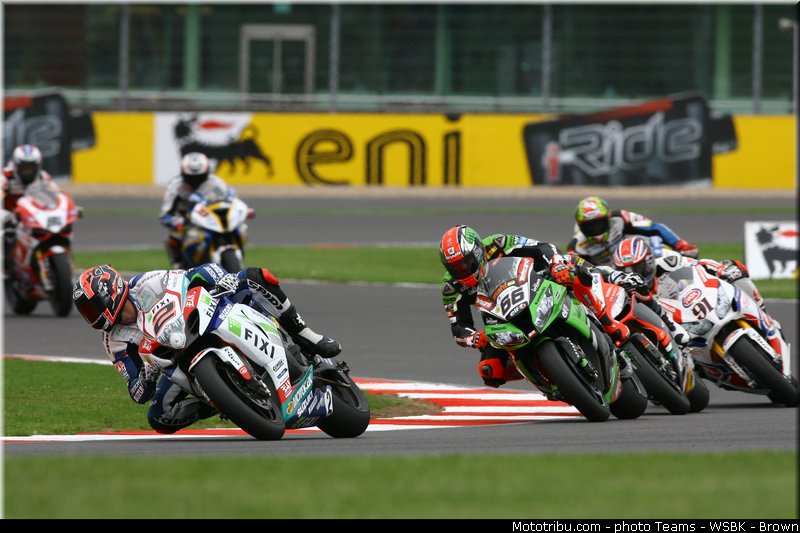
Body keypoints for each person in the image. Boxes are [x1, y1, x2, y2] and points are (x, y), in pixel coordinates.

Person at [72, 263, 341, 433]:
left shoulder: (147, 282)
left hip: (203, 318)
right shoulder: (114, 341)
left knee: (254, 276)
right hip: (176, 361)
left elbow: (194, 274)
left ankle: (305, 334)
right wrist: (147, 375)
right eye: (85, 312)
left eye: (91, 307)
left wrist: (220, 279)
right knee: (159, 417)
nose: (91, 316)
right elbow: (136, 391)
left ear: (111, 291)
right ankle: (224, 401)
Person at [438, 224, 636, 389]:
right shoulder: (452, 286)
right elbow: (458, 327)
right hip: (503, 317)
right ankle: (548, 377)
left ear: (478, 251)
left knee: (573, 272)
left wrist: (556, 265)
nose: (462, 270)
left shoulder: (497, 245)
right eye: (455, 267)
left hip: (535, 283)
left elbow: (543, 247)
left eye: (466, 262)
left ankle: (608, 322)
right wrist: (474, 338)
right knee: (490, 370)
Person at [613, 235, 768, 312]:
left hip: (699, 304)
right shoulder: (626, 296)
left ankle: (761, 310)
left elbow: (696, 264)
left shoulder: (667, 261)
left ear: (648, 261)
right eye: (626, 272)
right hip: (681, 332)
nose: (634, 276)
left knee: (736, 272)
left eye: (637, 268)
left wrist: (720, 269)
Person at [567, 196, 698, 267]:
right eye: (589, 226)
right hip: (612, 280)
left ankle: (699, 268)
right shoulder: (576, 246)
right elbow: (576, 272)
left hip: (643, 263)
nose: (595, 229)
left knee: (671, 254)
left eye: (598, 223)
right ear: (580, 226)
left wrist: (681, 245)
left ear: (608, 217)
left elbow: (655, 228)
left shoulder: (621, 218)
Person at [159, 152, 233, 269]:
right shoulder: (175, 186)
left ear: (207, 172)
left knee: (239, 226)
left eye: (200, 177)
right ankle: (178, 264)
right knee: (174, 236)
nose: (195, 181)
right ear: (183, 173)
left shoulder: (216, 183)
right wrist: (175, 221)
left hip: (212, 218)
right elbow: (165, 213)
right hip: (188, 222)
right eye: (191, 178)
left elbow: (231, 199)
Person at [2, 144, 59, 275]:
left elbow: (57, 196)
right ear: (16, 166)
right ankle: (6, 264)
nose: (28, 171)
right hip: (10, 217)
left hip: (32, 217)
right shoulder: (6, 177)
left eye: (31, 168)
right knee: (7, 234)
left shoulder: (43, 177)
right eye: (24, 168)